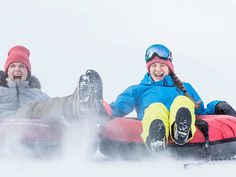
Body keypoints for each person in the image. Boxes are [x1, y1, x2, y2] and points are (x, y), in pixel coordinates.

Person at [101, 44, 236, 153]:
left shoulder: (185, 87)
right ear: (149, 69)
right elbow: (117, 109)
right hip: (153, 116)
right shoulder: (138, 89)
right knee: (155, 108)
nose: (158, 69)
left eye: (162, 65)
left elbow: (200, 110)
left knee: (182, 102)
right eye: (153, 66)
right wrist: (99, 107)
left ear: (169, 68)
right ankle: (157, 135)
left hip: (182, 117)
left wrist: (217, 105)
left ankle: (181, 128)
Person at [0, 45, 104, 125]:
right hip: (4, 122)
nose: (17, 69)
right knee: (30, 107)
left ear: (27, 72)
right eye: (12, 66)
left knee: (48, 105)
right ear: (7, 72)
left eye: (22, 66)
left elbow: (52, 107)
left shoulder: (36, 94)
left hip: (30, 125)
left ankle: (79, 103)